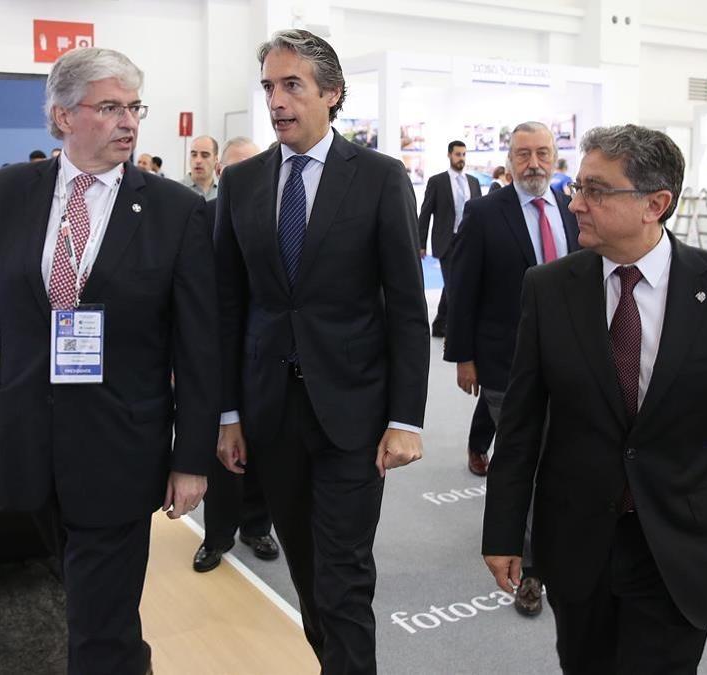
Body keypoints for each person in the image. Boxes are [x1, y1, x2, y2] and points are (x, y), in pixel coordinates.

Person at [0, 47, 220, 674]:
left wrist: (191, 459)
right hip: (25, 440)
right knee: (101, 609)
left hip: (121, 446)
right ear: (63, 116)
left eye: (134, 108)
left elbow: (198, 349)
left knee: (96, 628)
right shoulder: (7, 192)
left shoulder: (177, 211)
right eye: (109, 108)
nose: (128, 123)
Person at [483, 124, 707, 673]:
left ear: (655, 204)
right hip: (579, 541)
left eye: (595, 190)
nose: (574, 203)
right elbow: (520, 424)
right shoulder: (548, 288)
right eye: (577, 187)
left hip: (679, 543)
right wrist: (502, 531)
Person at [214, 29, 428, 673]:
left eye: (292, 86)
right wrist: (228, 413)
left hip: (354, 416)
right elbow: (229, 306)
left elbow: (406, 308)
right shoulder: (242, 182)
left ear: (331, 94)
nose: (277, 101)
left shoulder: (381, 179)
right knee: (308, 574)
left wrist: (405, 418)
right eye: (269, 88)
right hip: (271, 413)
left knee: (343, 576)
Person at [446, 121, 580, 616]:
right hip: (505, 363)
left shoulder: (572, 209)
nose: (534, 164)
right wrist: (464, 356)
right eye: (524, 154)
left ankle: (556, 544)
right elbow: (463, 290)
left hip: (569, 362)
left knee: (560, 458)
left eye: (542, 153)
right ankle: (530, 568)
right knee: (525, 459)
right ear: (509, 158)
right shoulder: (484, 213)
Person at [193, 135, 281, 573]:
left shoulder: (283, 216)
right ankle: (217, 535)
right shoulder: (201, 217)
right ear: (222, 175)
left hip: (268, 355)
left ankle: (257, 525)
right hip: (218, 354)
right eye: (237, 169)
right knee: (222, 451)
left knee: (263, 448)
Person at [417, 140, 482, 338]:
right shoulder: (437, 181)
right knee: (455, 286)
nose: (461, 158)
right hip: (447, 241)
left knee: (455, 282)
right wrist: (420, 243)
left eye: (463, 154)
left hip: (468, 240)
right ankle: (457, 332)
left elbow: (480, 213)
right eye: (457, 154)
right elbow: (425, 213)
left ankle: (439, 324)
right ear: (449, 155)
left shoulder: (473, 182)